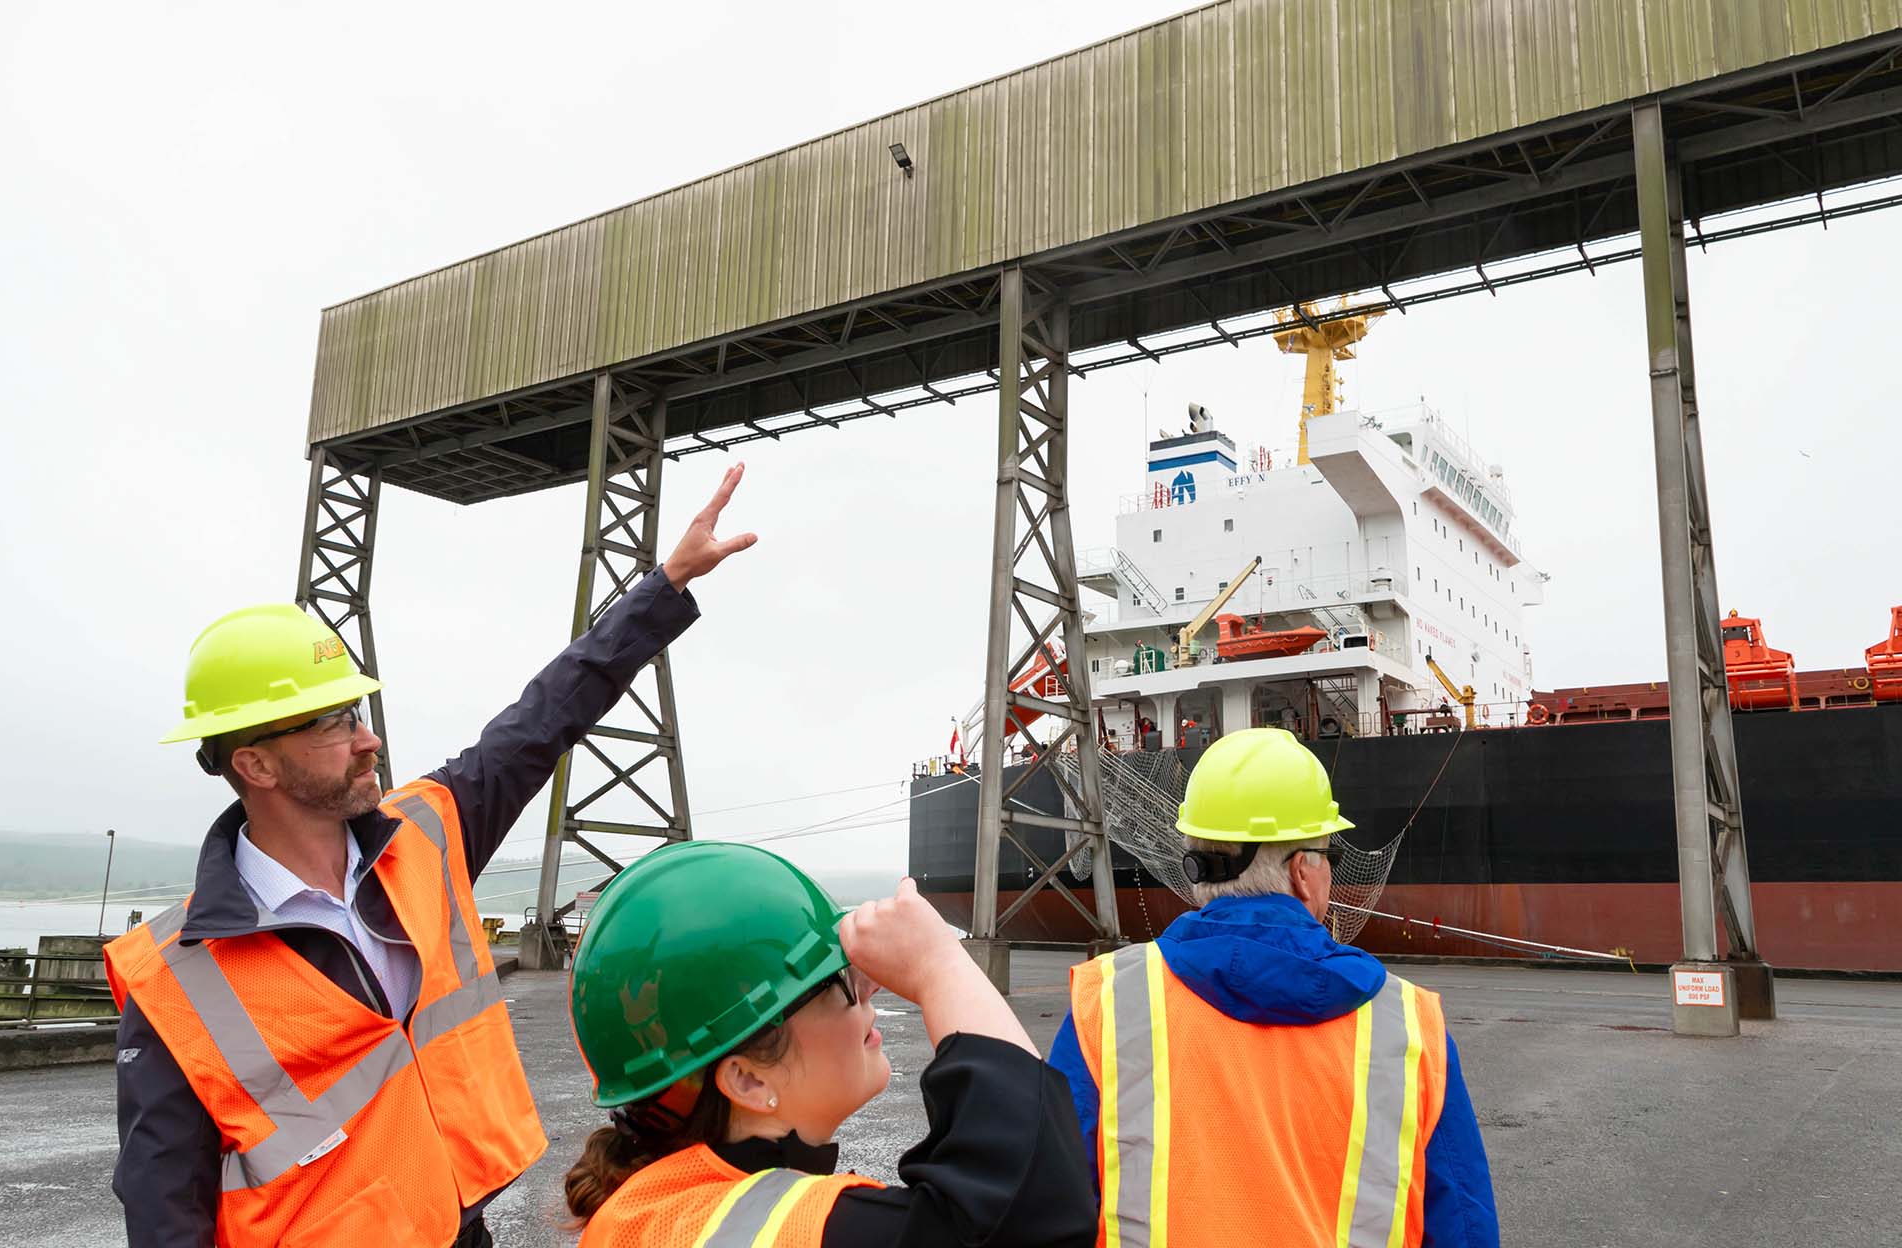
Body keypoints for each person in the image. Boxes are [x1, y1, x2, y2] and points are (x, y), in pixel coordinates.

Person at [103, 465, 757, 1247]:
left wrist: (666, 585)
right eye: (335, 724)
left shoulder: (427, 836)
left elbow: (544, 716)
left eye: (360, 712)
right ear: (257, 765)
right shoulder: (178, 984)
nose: (368, 737)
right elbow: (164, 1214)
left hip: (463, 1231)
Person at [1046, 728, 1499, 1247]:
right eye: (1328, 854)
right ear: (1305, 871)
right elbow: (1463, 1227)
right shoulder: (1411, 1030)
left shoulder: (1107, 1006)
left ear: (1197, 870)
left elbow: (1047, 1205)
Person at [564, 843, 1096, 1247]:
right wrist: (938, 967)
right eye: (840, 980)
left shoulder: (650, 1212)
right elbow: (1031, 1211)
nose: (871, 986)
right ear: (748, 1079)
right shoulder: (788, 1230)